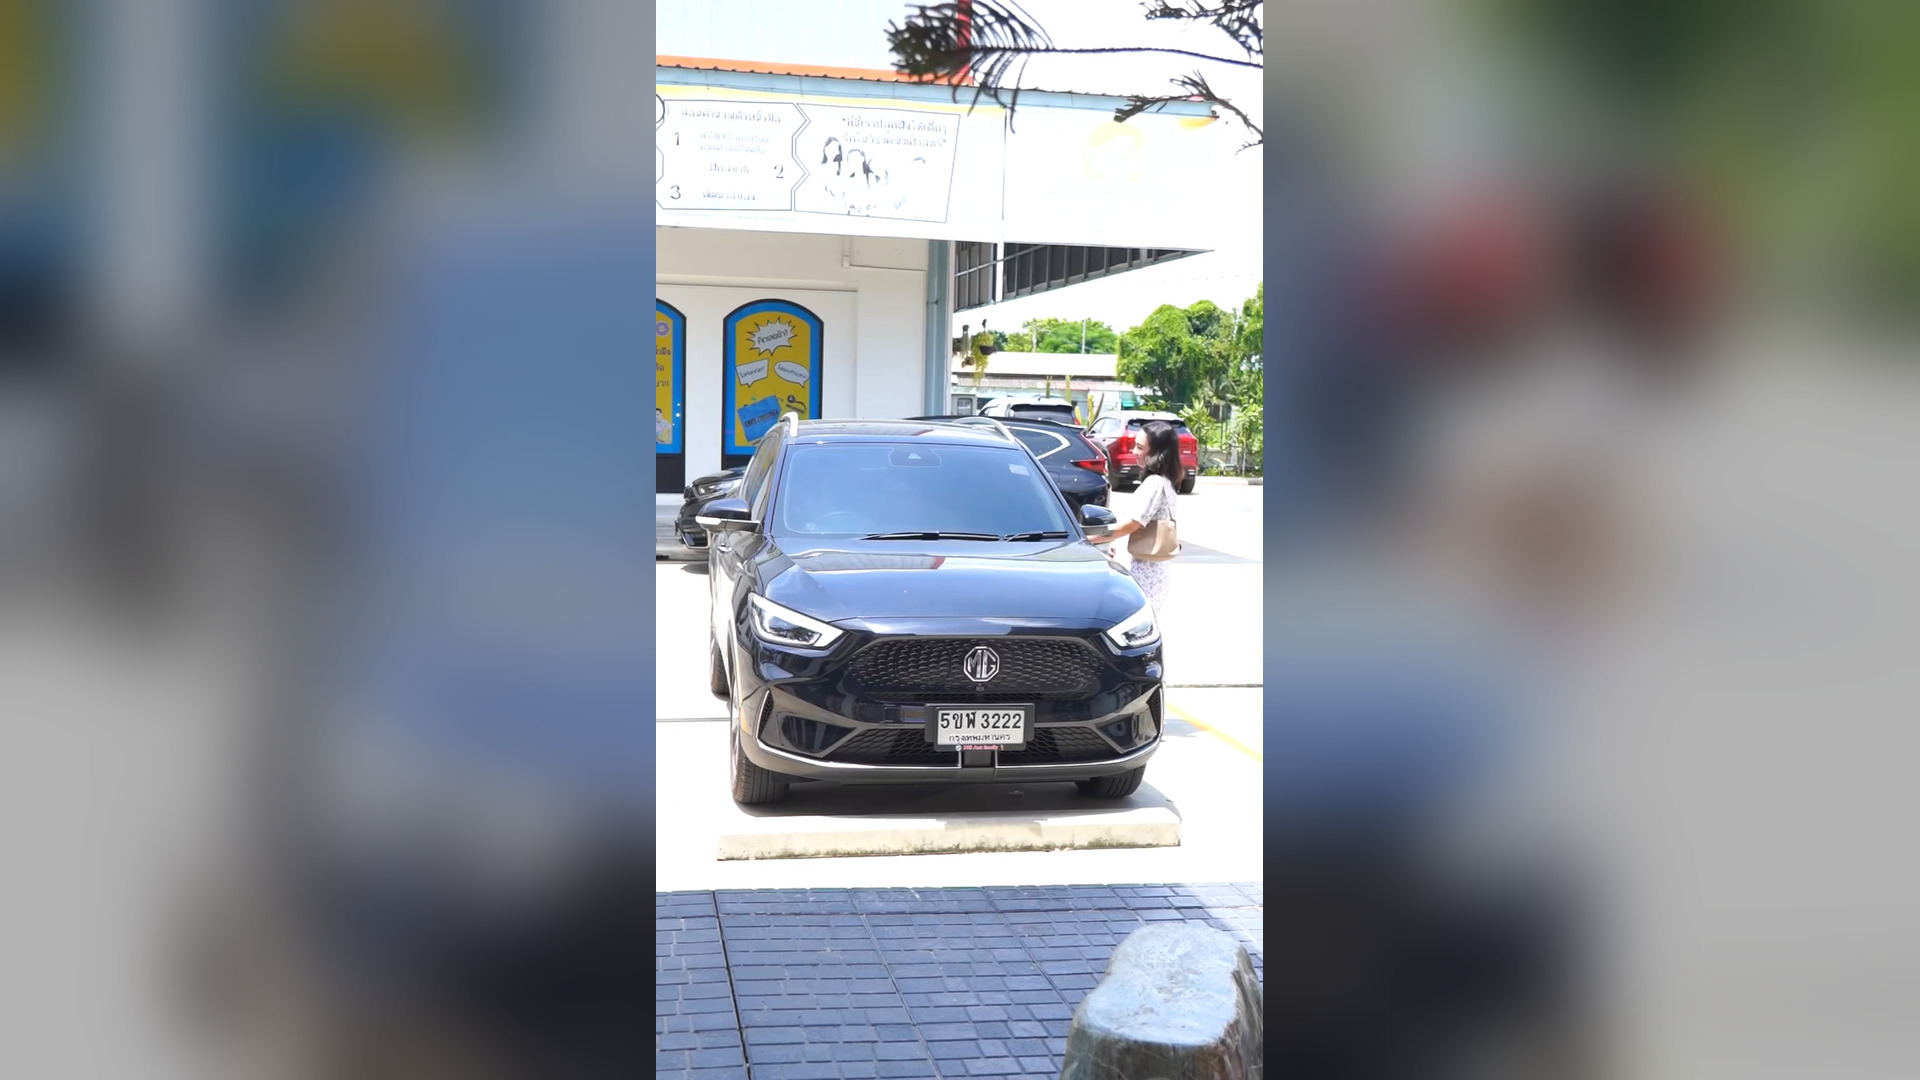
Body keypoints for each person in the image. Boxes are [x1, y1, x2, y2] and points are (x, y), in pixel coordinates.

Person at [1092, 420, 1183, 613]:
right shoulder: (1167, 481)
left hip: (1142, 570)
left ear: (1157, 453)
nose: (1134, 451)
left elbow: (1131, 524)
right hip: (1154, 570)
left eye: (1140, 447)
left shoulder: (1154, 483)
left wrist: (1091, 537)